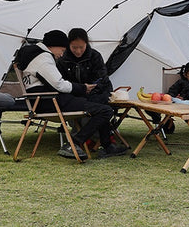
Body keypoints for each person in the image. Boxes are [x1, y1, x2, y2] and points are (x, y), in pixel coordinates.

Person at [14, 29, 127, 160]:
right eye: (62, 50)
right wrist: (83, 88)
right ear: (53, 46)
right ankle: (75, 143)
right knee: (105, 111)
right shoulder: (44, 59)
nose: (62, 54)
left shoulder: (35, 55)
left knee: (100, 105)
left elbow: (102, 79)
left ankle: (106, 145)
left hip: (42, 100)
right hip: (50, 101)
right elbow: (60, 84)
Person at [57, 28, 113, 105]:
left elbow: (102, 78)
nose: (78, 51)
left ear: (86, 43)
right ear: (68, 44)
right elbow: (61, 82)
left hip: (97, 94)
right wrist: (80, 88)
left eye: (81, 47)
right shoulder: (62, 60)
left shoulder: (95, 56)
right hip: (73, 95)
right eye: (74, 47)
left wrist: (89, 89)